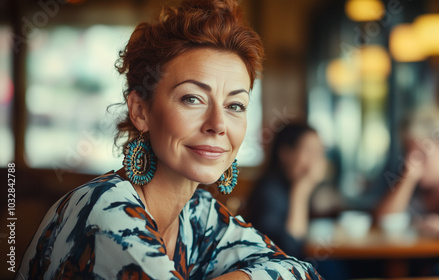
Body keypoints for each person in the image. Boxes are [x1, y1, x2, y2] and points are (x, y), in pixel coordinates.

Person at [16, 1, 323, 279]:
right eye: (192, 99)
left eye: (235, 105)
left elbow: (301, 272)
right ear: (140, 111)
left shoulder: (198, 214)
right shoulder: (105, 209)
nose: (218, 125)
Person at [246, 123, 327, 259]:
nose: (315, 160)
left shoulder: (290, 184)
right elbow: (288, 250)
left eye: (319, 152)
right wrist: (301, 191)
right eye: (308, 151)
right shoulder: (269, 192)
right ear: (285, 154)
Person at [375, 106, 439, 238]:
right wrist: (407, 180)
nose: (410, 163)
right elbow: (382, 223)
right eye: (408, 154)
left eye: (421, 154)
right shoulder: (417, 189)